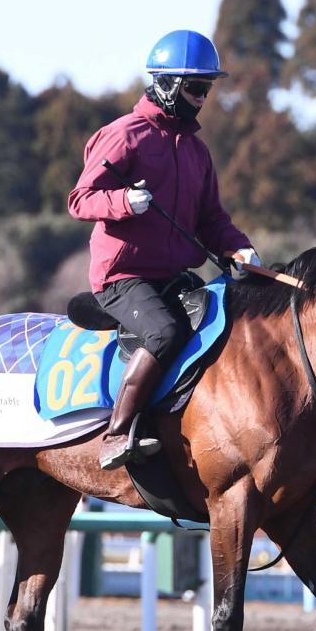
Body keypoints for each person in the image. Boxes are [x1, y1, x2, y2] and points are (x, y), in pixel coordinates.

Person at [68, 29, 260, 470]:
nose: (201, 98)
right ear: (167, 85)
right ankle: (117, 434)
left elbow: (213, 221)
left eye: (206, 89)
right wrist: (122, 203)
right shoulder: (123, 135)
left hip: (173, 276)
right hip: (124, 277)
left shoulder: (197, 152)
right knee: (166, 332)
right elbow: (80, 199)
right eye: (195, 88)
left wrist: (242, 250)